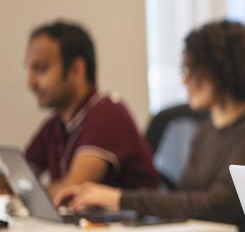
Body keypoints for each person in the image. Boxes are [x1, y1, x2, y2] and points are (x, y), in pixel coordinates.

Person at [55, 20, 245, 232]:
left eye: (193, 70)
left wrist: (118, 198)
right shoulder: (206, 131)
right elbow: (186, 199)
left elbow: (216, 206)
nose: (185, 80)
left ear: (224, 71)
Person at [24, 21, 160, 196]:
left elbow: (71, 190)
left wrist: (30, 194)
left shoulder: (108, 114)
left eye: (41, 69)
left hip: (135, 221)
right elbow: (14, 181)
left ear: (76, 69)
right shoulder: (55, 125)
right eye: (29, 70)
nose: (30, 83)